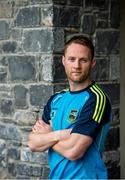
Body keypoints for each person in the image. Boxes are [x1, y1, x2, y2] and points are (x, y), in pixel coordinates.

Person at [28, 35, 112, 179]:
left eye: (83, 60)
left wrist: (47, 136)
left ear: (92, 63)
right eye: (72, 59)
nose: (77, 66)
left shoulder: (96, 99)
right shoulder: (56, 99)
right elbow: (33, 143)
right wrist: (58, 134)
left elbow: (74, 151)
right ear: (63, 61)